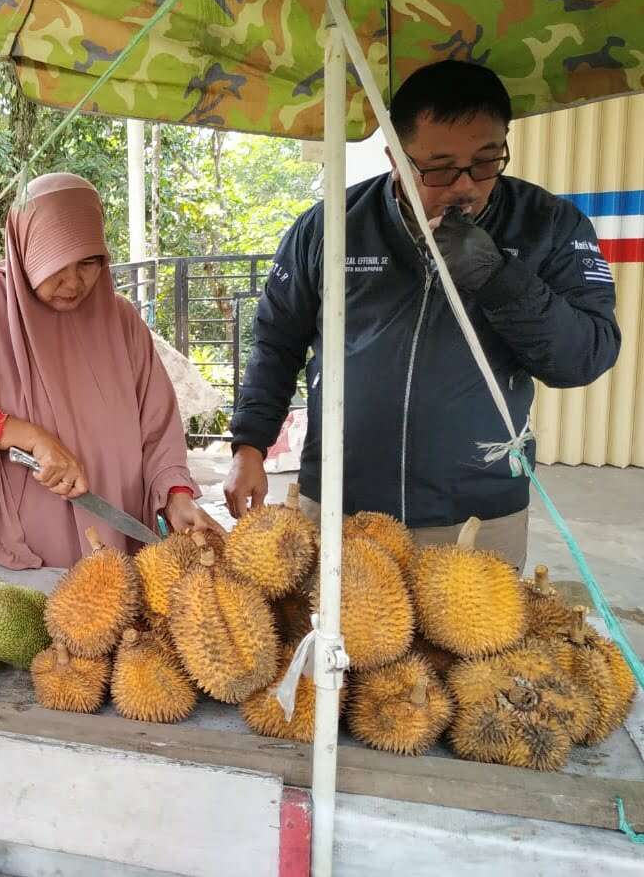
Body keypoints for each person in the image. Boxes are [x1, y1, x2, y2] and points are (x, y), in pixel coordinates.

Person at [224, 60, 620, 571]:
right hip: (342, 503)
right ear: (395, 157)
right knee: (340, 645)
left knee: (479, 651)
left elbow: (586, 355)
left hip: (479, 513)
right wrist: (250, 443)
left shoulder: (550, 225)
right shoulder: (330, 228)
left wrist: (499, 277)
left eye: (485, 161)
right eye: (438, 167)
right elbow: (276, 344)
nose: (466, 186)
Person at [0, 172, 221, 569]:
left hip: (115, 536)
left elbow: (158, 427)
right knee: (12, 628)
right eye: (56, 264)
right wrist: (31, 438)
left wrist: (176, 494)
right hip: (11, 551)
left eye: (89, 262)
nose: (74, 282)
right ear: (25, 250)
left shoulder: (120, 320)